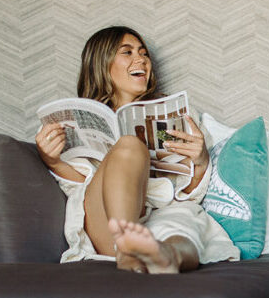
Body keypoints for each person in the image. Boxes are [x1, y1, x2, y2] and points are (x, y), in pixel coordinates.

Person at [35, 26, 239, 273]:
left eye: (143, 53)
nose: (141, 59)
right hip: (105, 221)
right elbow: (80, 186)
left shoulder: (179, 115)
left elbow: (189, 195)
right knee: (130, 145)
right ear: (101, 64)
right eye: (127, 52)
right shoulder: (77, 120)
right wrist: (52, 161)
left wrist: (201, 160)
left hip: (161, 210)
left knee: (182, 230)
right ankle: (127, 248)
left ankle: (167, 257)